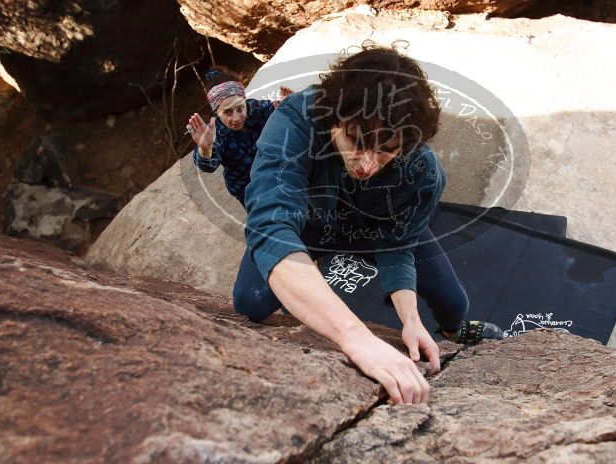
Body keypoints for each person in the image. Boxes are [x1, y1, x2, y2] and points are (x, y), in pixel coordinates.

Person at [236, 42, 502, 405]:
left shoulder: (422, 170)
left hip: (374, 226)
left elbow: (396, 246)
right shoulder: (294, 122)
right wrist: (355, 338)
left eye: (386, 150)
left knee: (454, 301)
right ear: (335, 117)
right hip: (311, 224)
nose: (366, 164)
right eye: (357, 141)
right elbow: (270, 227)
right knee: (250, 302)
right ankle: (306, 295)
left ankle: (454, 331)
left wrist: (410, 319)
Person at [186, 67, 291, 205]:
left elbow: (276, 111)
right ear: (216, 112)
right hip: (249, 190)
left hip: (277, 173)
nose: (236, 118)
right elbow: (209, 166)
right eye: (227, 112)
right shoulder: (217, 133)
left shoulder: (255, 108)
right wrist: (206, 148)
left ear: (244, 101)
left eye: (240, 108)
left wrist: (286, 105)